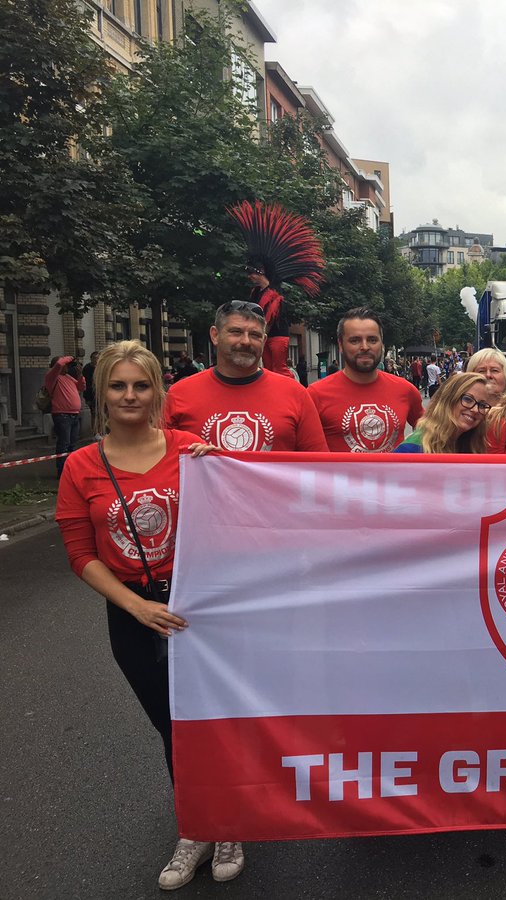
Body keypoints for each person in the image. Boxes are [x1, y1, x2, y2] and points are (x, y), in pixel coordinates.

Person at [52, 341, 240, 889]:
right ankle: (196, 825)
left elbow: (236, 516)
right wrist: (134, 605)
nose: (130, 395)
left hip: (202, 609)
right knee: (171, 724)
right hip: (134, 613)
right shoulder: (81, 466)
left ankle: (226, 822)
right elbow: (79, 552)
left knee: (213, 720)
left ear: (158, 391)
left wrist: (222, 470)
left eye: (141, 385)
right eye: (118, 386)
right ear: (101, 394)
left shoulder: (190, 450)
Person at [162, 301, 326, 452]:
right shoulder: (179, 394)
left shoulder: (295, 393)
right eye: (236, 332)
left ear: (264, 340)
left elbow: (318, 466)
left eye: (255, 335)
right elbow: (160, 462)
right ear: (215, 335)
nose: (246, 341)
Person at [229, 200, 325, 377]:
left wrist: (256, 334)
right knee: (267, 370)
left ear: (261, 273)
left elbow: (268, 319)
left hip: (276, 337)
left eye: (252, 273)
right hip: (264, 336)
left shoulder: (274, 296)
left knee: (278, 369)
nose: (250, 277)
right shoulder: (256, 293)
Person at [307, 308, 423, 453]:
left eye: (372, 340)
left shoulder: (406, 390)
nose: (365, 347)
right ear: (341, 346)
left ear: (381, 344)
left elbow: (431, 432)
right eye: (355, 340)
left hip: (394, 476)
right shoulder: (315, 394)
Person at [395, 372, 491, 453]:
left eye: (482, 405)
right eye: (468, 399)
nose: (475, 409)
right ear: (448, 400)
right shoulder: (411, 449)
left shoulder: (470, 444)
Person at [44, 354, 86, 476]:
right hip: (62, 415)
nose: (67, 367)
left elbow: (81, 387)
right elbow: (58, 365)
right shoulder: (52, 377)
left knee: (72, 444)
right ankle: (61, 471)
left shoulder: (68, 377)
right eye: (65, 365)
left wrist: (79, 375)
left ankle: (71, 469)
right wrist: (70, 358)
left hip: (74, 415)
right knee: (64, 443)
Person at [82, 350, 101, 424]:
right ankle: (95, 431)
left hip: (101, 394)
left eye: (98, 358)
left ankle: (103, 430)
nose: (96, 360)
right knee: (94, 414)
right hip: (92, 395)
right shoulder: (87, 368)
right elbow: (86, 384)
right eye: (95, 358)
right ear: (91, 359)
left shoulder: (101, 368)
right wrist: (87, 398)